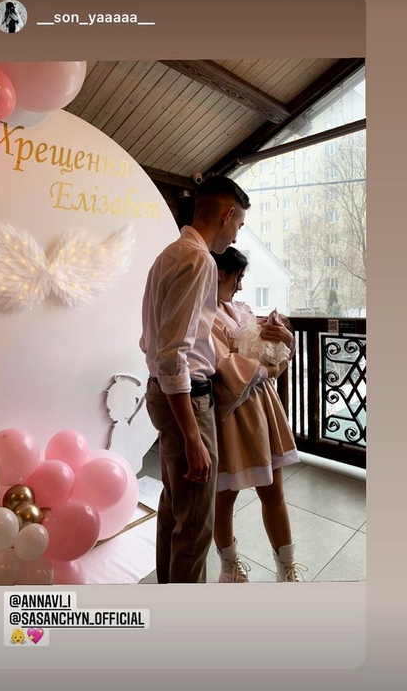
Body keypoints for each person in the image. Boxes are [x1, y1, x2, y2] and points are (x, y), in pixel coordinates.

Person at [140, 175, 250, 583]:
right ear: (226, 215)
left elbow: (157, 343)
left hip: (161, 392)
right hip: (186, 401)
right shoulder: (200, 259)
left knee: (174, 508)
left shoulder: (169, 253)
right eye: (239, 224)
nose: (236, 234)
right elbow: (174, 355)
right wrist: (192, 436)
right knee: (196, 525)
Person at [211, 247, 307, 582]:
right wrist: (271, 366)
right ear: (220, 274)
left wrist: (285, 341)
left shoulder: (241, 310)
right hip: (230, 414)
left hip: (262, 407)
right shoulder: (202, 317)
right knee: (225, 496)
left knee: (274, 492)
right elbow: (227, 368)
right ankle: (229, 569)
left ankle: (286, 569)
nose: (240, 286)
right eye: (237, 278)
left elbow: (270, 358)